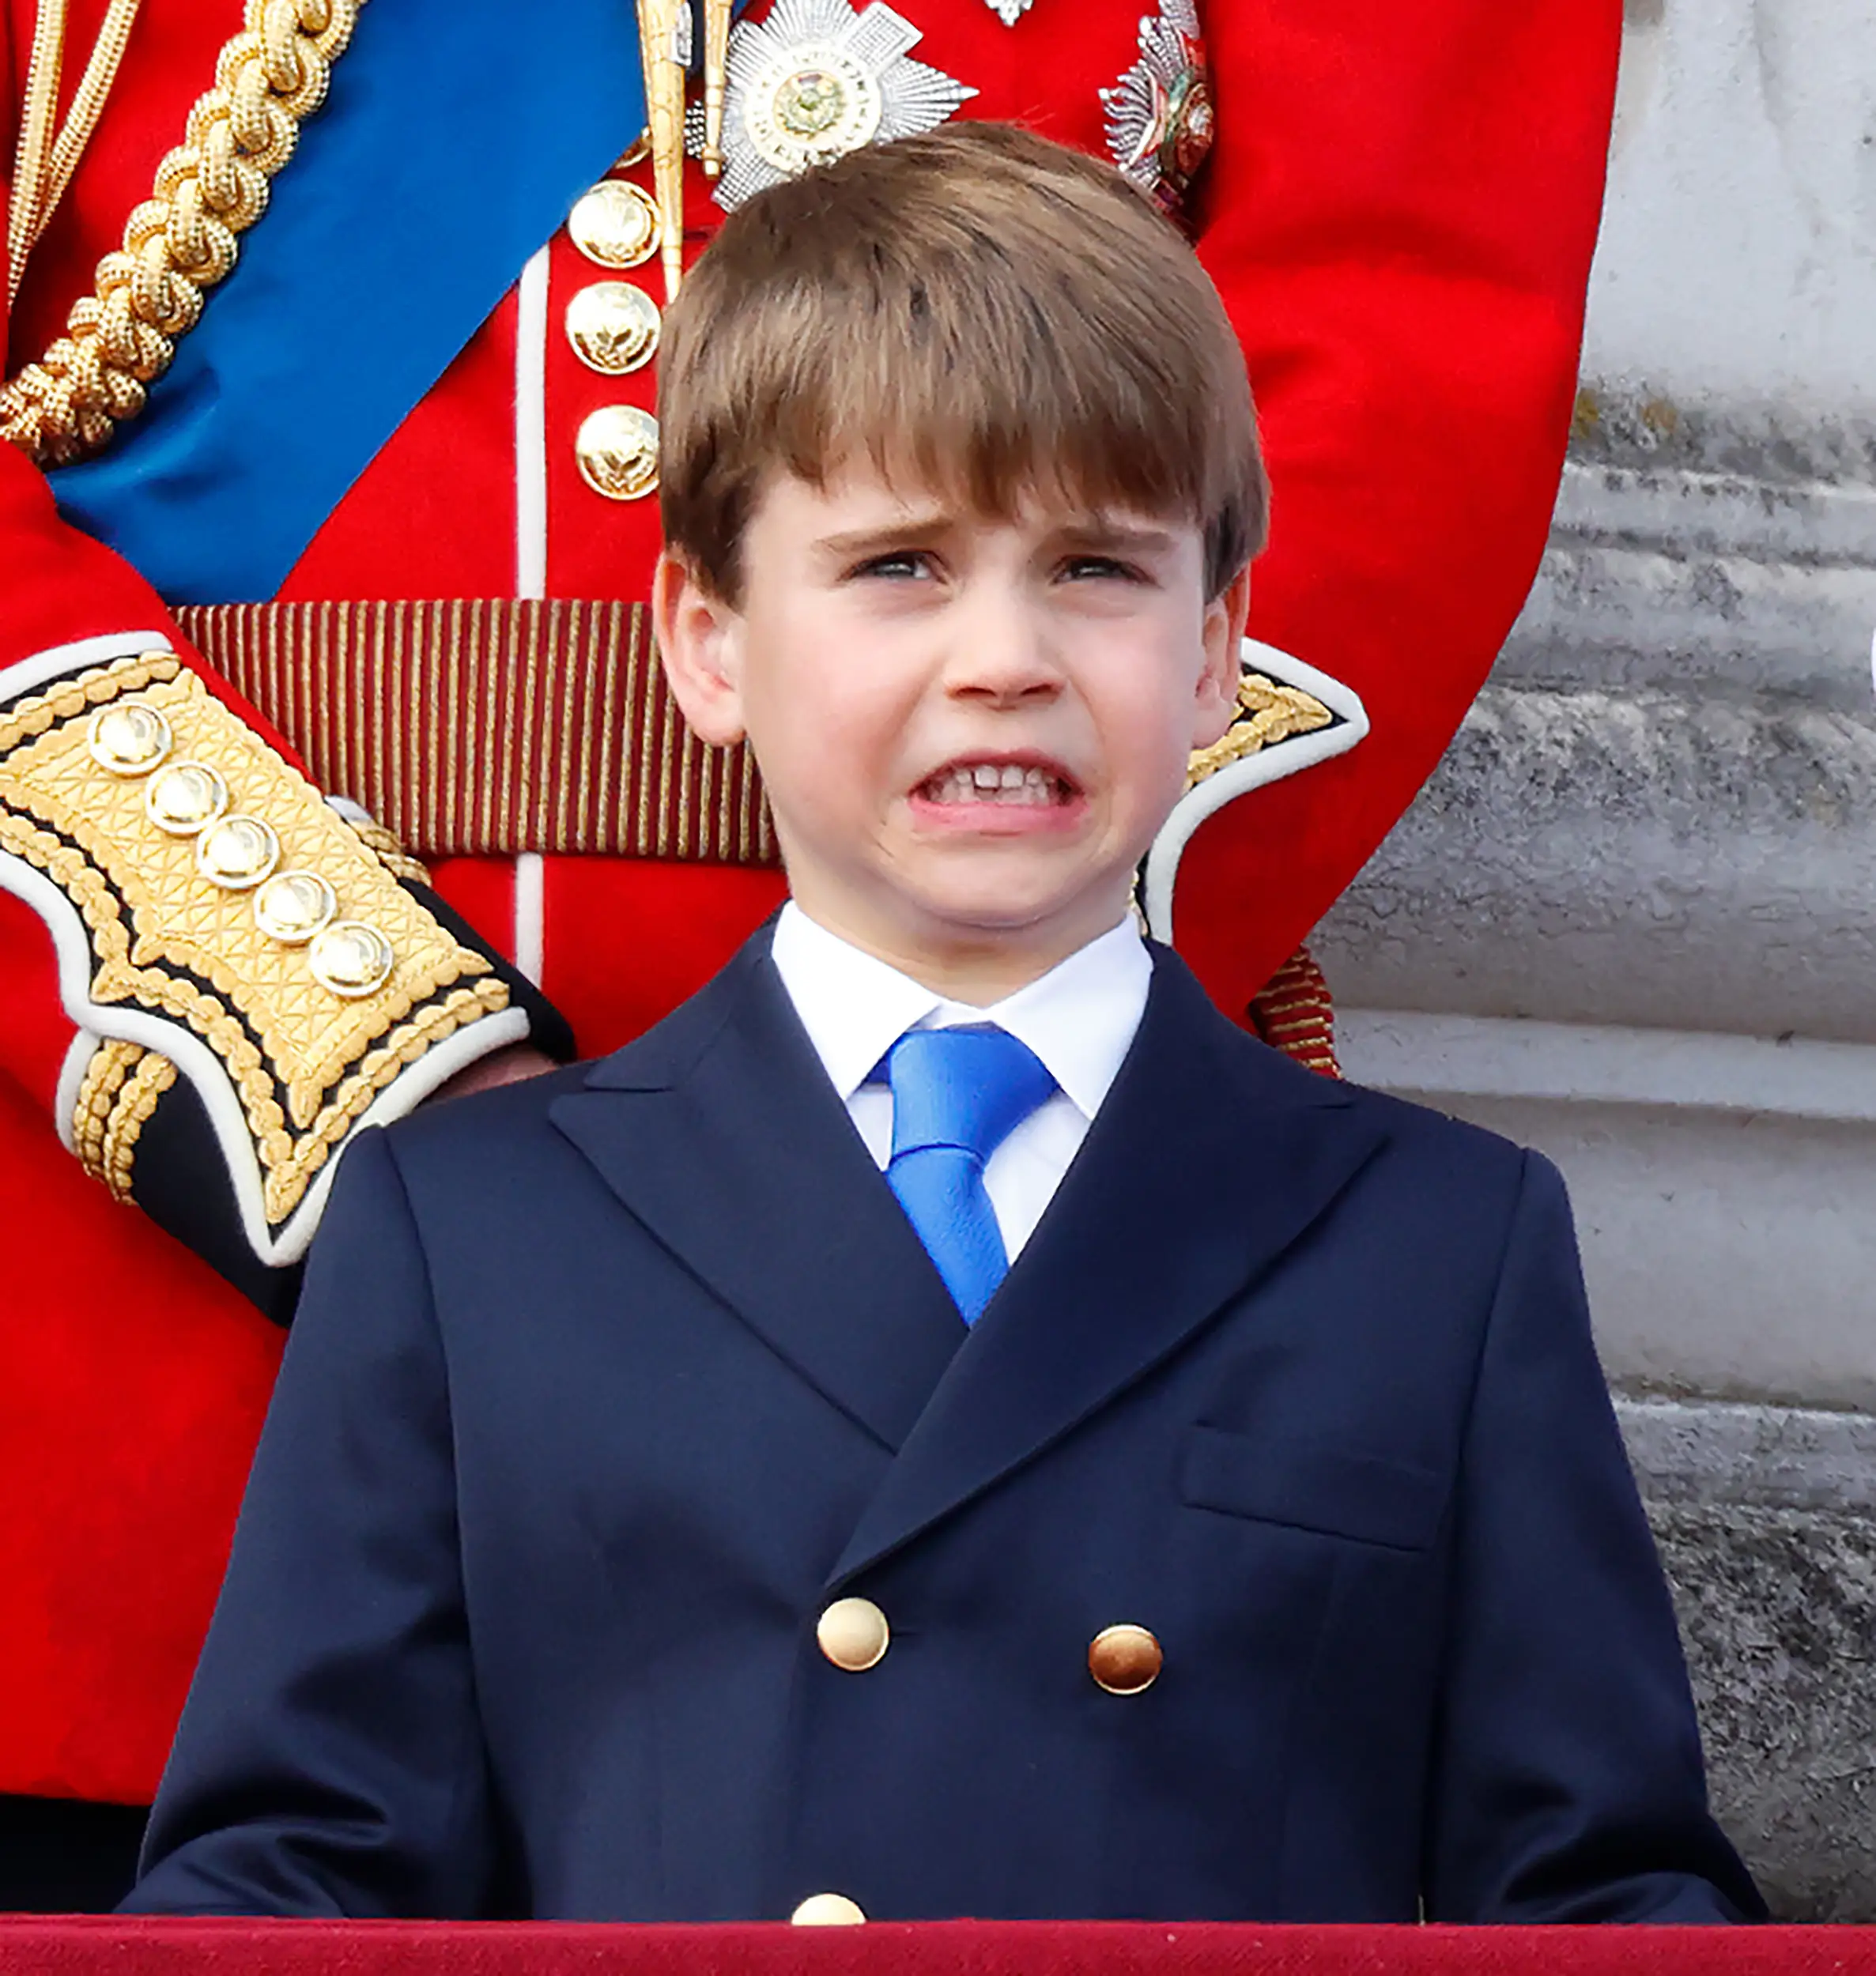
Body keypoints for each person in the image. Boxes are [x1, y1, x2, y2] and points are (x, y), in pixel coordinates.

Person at [0, 0, 1622, 1902]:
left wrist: (956, 1083)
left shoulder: (1450, 1247)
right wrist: (341, 1065)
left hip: (1015, 1283)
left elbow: (1398, 371)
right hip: (146, 1308)